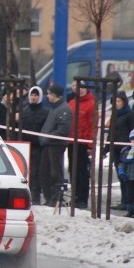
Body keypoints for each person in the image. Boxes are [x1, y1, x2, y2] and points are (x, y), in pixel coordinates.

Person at [38, 83, 73, 207]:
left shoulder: (64, 109)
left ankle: (57, 198)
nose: (47, 96)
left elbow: (64, 130)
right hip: (48, 144)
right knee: (44, 171)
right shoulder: (54, 108)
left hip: (55, 145)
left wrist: (48, 137)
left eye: (48, 94)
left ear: (54, 95)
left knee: (55, 172)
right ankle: (49, 198)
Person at [108, 90, 134, 210]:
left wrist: (132, 146)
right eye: (114, 101)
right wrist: (107, 146)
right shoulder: (115, 114)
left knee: (126, 176)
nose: (116, 103)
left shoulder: (130, 114)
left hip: (125, 149)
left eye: (119, 101)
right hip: (115, 149)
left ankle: (128, 201)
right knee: (120, 175)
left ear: (124, 102)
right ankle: (124, 200)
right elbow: (111, 131)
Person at [68, 80, 96, 209]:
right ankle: (75, 197)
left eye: (84, 87)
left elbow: (92, 126)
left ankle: (82, 198)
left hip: (83, 143)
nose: (81, 90)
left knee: (82, 173)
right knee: (73, 170)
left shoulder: (91, 104)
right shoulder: (72, 103)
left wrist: (90, 145)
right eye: (79, 87)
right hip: (71, 142)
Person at [20, 86, 49, 205]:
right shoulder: (24, 111)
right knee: (25, 172)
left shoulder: (45, 112)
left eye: (36, 95)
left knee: (36, 173)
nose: (33, 97)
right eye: (32, 95)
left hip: (38, 147)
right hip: (25, 146)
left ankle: (35, 197)